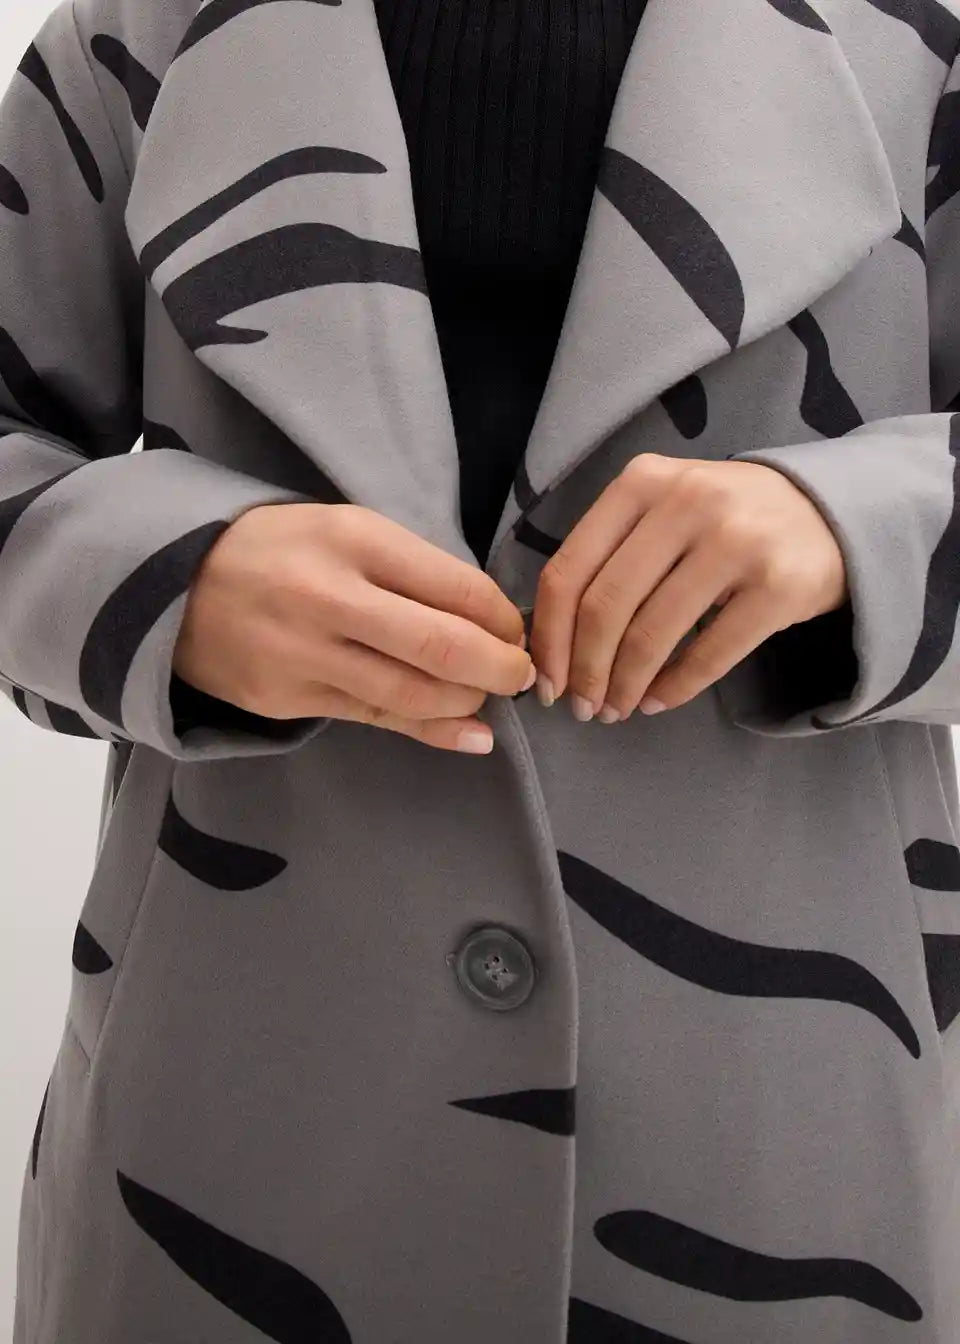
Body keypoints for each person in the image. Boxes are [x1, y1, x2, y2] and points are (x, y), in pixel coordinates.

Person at [4, 0, 960, 1338]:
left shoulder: (912, 51)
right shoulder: (140, 42)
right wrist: (171, 580)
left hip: (782, 1140)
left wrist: (856, 529)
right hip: (234, 1132)